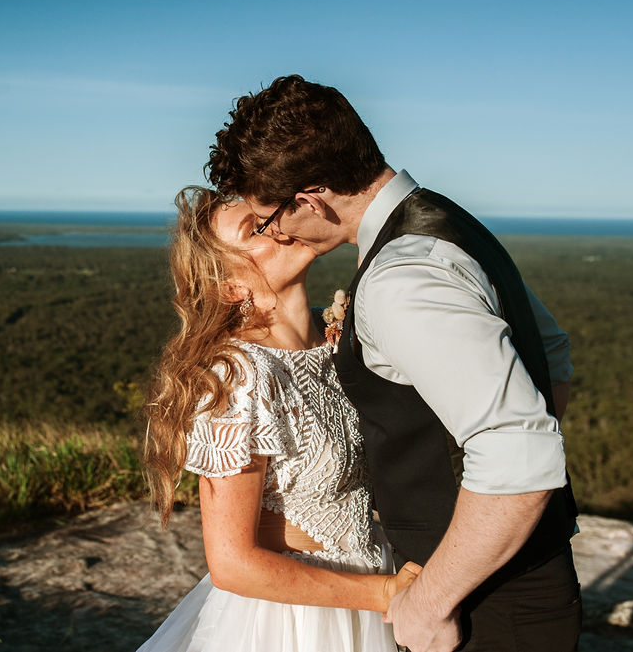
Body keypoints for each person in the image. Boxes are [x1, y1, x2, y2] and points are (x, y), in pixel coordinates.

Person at [205, 75, 581, 652]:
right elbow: (551, 352)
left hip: (479, 601)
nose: (274, 231)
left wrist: (431, 597)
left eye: (270, 216)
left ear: (310, 198)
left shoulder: (402, 277)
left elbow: (520, 451)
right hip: (502, 578)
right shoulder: (448, 226)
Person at [137, 186, 420, 652]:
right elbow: (231, 563)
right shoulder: (237, 375)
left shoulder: (337, 341)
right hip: (296, 623)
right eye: (257, 227)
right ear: (230, 286)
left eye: (272, 211)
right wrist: (383, 593)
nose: (283, 224)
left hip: (372, 595)